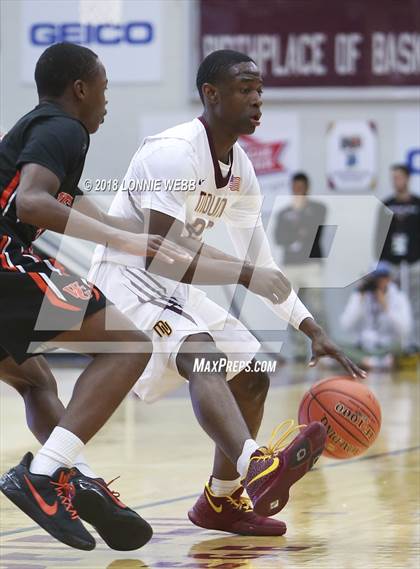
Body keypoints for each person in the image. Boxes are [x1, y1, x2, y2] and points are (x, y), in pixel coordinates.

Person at [89, 49, 365, 537]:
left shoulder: (241, 169)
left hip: (176, 284)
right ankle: (256, 462)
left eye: (259, 90)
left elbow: (261, 264)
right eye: (244, 89)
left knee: (254, 371)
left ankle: (220, 499)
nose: (257, 100)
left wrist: (310, 326)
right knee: (203, 354)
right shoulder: (171, 151)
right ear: (210, 95)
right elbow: (161, 255)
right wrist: (241, 275)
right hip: (128, 276)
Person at [0, 42, 189, 551]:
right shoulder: (65, 128)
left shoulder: (41, 132)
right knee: (129, 345)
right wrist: (125, 240)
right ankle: (42, 476)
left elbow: (81, 208)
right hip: (3, 262)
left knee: (36, 382)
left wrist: (136, 233)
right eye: (103, 88)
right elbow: (33, 203)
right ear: (80, 89)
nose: (107, 101)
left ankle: (73, 476)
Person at [273, 172, 327, 359]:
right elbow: (279, 238)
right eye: (295, 187)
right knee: (291, 309)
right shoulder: (283, 213)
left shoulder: (318, 209)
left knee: (317, 308)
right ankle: (299, 351)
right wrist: (297, 231)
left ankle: (323, 347)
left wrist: (297, 224)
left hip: (311, 264)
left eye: (301, 187)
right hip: (291, 266)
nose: (297, 191)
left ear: (307, 188)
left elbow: (314, 230)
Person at [375, 164, 420, 347]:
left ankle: (415, 344)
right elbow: (379, 234)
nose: (396, 181)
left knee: (415, 304)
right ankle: (395, 346)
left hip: (414, 262)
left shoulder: (417, 204)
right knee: (392, 302)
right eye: (393, 177)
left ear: (407, 178)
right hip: (392, 263)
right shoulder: (387, 205)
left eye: (399, 177)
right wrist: (380, 262)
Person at [340, 262, 412, 370]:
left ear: (388, 279)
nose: (376, 282)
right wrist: (360, 301)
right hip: (362, 348)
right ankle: (371, 362)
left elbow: (405, 330)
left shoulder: (398, 297)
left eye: (379, 278)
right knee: (337, 348)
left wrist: (386, 307)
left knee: (400, 347)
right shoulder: (360, 295)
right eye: (373, 279)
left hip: (387, 347)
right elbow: (345, 325)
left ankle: (367, 362)